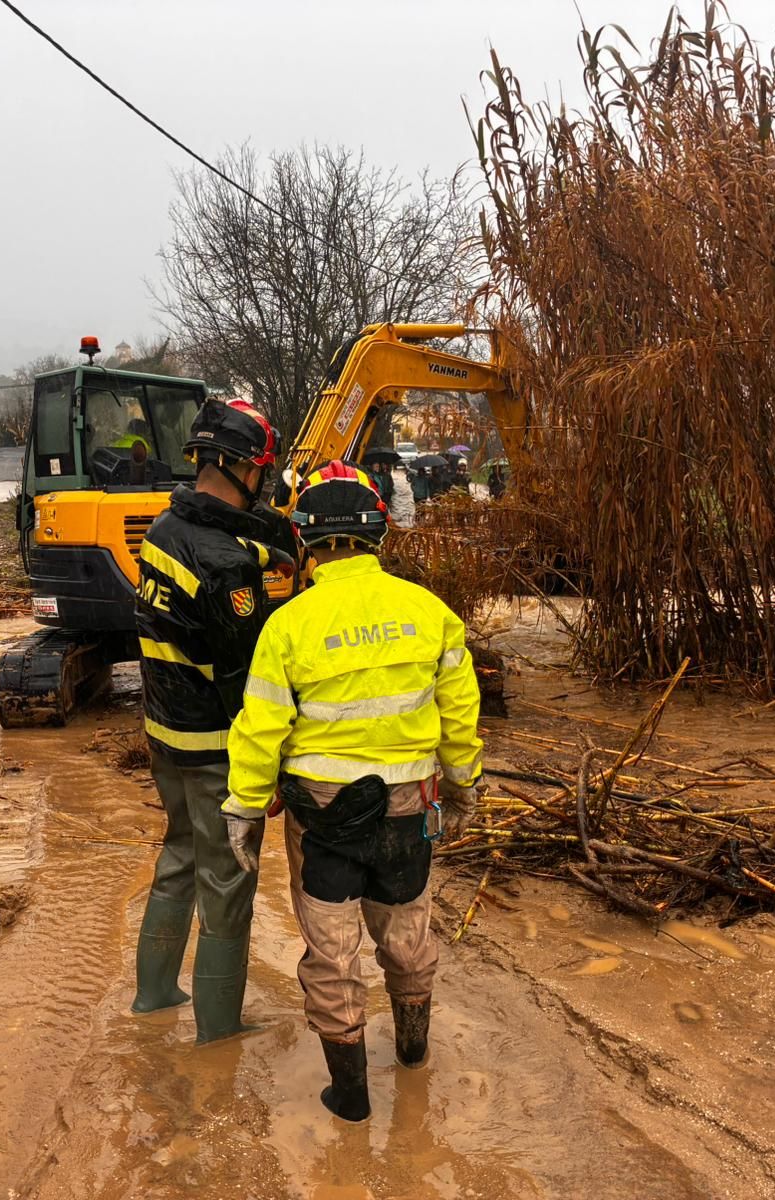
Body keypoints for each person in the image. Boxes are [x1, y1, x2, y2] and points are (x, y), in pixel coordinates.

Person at [221, 461, 484, 1121]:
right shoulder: (430, 613)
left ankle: (351, 1096)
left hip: (323, 817)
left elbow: (260, 730)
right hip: (409, 812)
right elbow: (460, 717)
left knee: (332, 949)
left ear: (304, 539)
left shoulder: (288, 625)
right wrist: (465, 786)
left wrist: (243, 809)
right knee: (407, 932)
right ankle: (415, 1057)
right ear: (381, 532)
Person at [131, 398, 288, 1043]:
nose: (263, 484)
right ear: (235, 465)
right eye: (259, 471)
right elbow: (246, 683)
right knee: (227, 884)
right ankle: (218, 1032)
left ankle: (155, 995)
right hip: (214, 747)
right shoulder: (227, 564)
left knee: (177, 858)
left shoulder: (165, 526)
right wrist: (266, 774)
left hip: (165, 732)